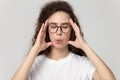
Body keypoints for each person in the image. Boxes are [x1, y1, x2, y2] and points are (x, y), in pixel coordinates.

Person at [12, 1, 116, 80]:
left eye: (65, 26)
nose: (59, 32)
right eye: (53, 26)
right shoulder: (34, 63)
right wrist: (35, 49)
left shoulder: (83, 64)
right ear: (45, 29)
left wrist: (85, 46)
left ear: (73, 29)